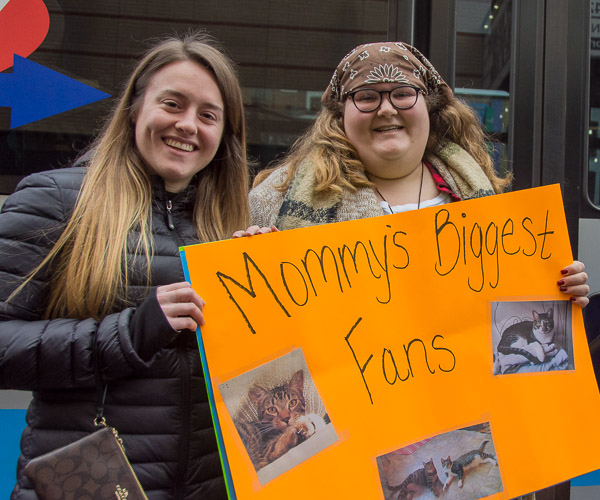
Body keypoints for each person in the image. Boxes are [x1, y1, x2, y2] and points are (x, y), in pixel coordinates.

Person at [0, 31, 248, 498]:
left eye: (208, 115)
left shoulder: (228, 225)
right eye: (172, 104)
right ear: (135, 109)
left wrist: (265, 286)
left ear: (225, 135)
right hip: (93, 483)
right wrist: (131, 333)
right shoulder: (55, 200)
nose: (188, 125)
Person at [237, 41, 589, 306]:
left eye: (403, 94)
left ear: (429, 107)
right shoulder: (274, 200)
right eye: (366, 96)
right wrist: (248, 269)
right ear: (340, 115)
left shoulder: (486, 205)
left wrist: (555, 289)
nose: (386, 109)